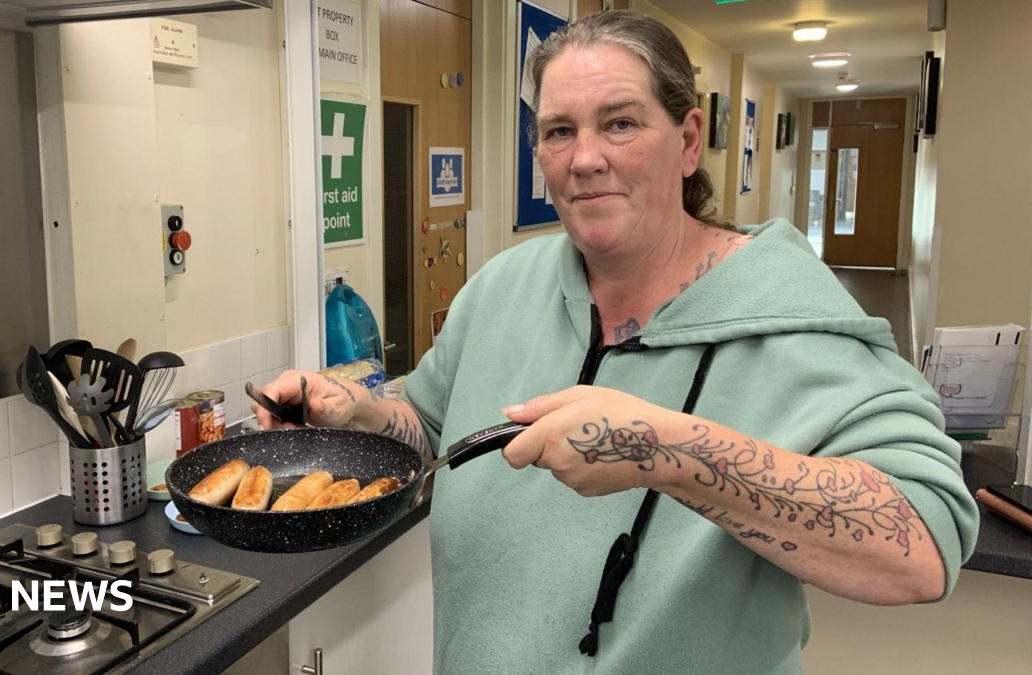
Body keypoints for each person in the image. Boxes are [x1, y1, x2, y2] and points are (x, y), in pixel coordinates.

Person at [256, 10, 978, 674]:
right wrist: (360, 415)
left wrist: (664, 453)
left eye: (622, 124)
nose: (585, 158)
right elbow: (439, 432)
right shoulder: (503, 286)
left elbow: (922, 545)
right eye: (559, 131)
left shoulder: (791, 317)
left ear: (688, 140)